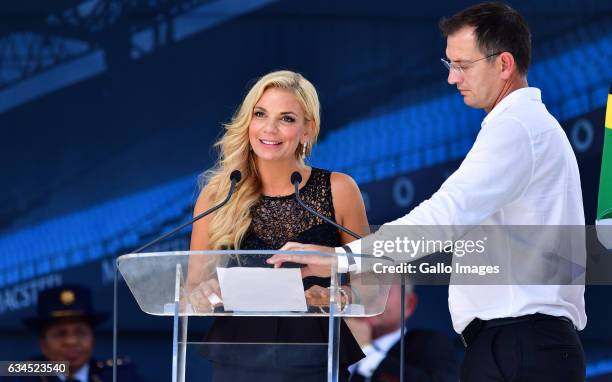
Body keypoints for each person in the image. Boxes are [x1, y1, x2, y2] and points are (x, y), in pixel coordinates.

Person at [268, 2, 587, 381]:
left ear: (504, 64)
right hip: (520, 344)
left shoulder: (516, 128)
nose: (452, 78)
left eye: (462, 65)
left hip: (519, 344)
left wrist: (343, 259)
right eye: (448, 64)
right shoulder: (525, 127)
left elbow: (442, 218)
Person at [187, 70, 369, 381]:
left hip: (316, 354)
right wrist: (204, 294)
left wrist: (341, 296)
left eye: (286, 118)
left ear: (307, 129)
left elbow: (372, 279)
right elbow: (191, 289)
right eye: (260, 114)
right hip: (238, 357)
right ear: (248, 122)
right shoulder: (218, 195)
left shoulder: (339, 189)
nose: (269, 128)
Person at [18, 284, 140, 382]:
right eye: (60, 334)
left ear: (93, 339)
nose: (71, 341)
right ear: (43, 344)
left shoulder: (121, 376)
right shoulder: (18, 377)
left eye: (80, 332)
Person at [347, 282, 459, 382]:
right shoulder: (337, 348)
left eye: (381, 290)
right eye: (360, 291)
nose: (368, 299)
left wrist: (367, 353)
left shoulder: (429, 344)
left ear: (408, 304)